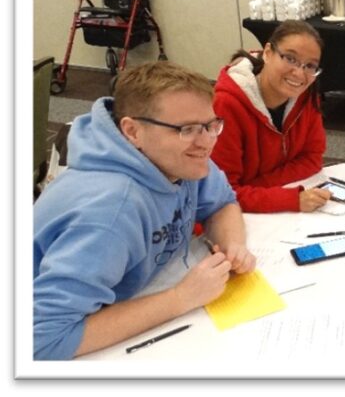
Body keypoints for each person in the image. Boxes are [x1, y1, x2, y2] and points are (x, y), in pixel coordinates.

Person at [34, 61, 256, 360]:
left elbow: (222, 203)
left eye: (210, 125)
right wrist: (180, 299)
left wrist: (233, 244)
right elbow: (42, 340)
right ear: (133, 131)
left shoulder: (177, 159)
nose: (207, 143)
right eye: (186, 129)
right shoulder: (109, 214)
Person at [212, 20, 330, 213]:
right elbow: (223, 194)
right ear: (267, 53)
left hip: (265, 202)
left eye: (310, 66)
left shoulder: (307, 96)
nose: (300, 74)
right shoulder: (226, 104)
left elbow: (312, 158)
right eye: (290, 59)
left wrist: (256, 187)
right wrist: (289, 199)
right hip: (234, 217)